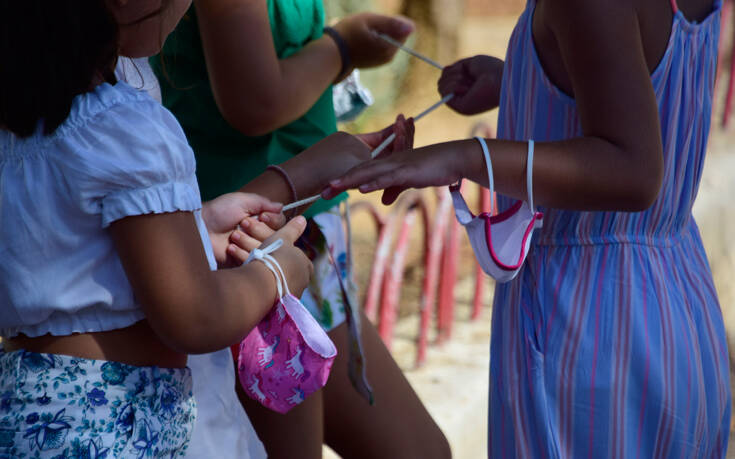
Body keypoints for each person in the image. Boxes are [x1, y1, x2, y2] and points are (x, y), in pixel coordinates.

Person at [324, 0, 732, 456]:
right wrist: (523, 80)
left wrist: (464, 157)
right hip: (676, 297)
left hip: (590, 327)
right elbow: (641, 85)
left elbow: (633, 172)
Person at [0, 0, 351, 456]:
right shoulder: (126, 129)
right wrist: (279, 271)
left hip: (28, 418)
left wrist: (195, 229)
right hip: (115, 430)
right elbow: (197, 318)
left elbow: (73, 258)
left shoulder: (20, 125)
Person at [152, 1, 451, 458]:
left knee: (422, 450)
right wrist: (343, 46)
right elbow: (255, 102)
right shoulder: (120, 129)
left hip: (301, 241)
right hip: (249, 253)